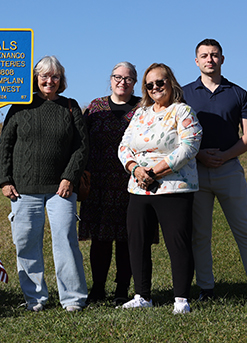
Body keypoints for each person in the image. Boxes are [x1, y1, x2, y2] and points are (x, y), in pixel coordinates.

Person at [183, 39, 247, 304]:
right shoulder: (184, 93)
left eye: (214, 55)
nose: (209, 59)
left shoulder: (238, 93)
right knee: (200, 233)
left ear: (222, 59)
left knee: (244, 229)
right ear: (196, 61)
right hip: (195, 171)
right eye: (204, 55)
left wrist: (224, 156)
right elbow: (176, 134)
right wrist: (199, 154)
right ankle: (206, 289)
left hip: (229, 170)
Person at [0, 55, 89, 312]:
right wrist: (4, 180)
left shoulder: (70, 107)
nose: (50, 80)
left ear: (62, 80)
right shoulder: (19, 107)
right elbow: (5, 145)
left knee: (66, 241)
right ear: (36, 79)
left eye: (55, 76)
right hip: (23, 190)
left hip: (61, 190)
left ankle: (73, 299)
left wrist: (69, 176)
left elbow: (81, 147)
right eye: (45, 76)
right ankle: (34, 299)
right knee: (25, 244)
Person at [117, 63, 202, 315]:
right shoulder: (140, 113)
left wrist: (154, 172)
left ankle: (181, 299)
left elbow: (189, 146)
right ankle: (142, 295)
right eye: (150, 84)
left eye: (160, 82)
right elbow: (124, 145)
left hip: (174, 188)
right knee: (137, 242)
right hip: (138, 188)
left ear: (171, 83)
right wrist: (135, 169)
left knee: (178, 243)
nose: (155, 87)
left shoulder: (182, 111)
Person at [79, 62, 140, 306]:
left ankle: (122, 289)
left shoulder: (142, 107)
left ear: (135, 82)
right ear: (110, 79)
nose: (121, 82)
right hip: (98, 183)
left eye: (127, 78)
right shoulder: (95, 107)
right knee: (100, 240)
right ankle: (97, 288)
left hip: (131, 182)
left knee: (128, 239)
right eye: (117, 77)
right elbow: (81, 138)